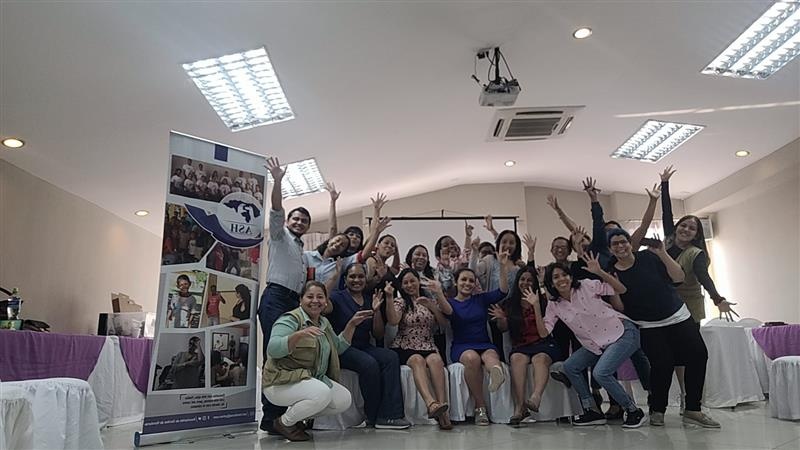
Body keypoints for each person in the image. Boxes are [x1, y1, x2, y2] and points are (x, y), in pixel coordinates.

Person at [607, 228, 720, 428]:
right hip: (649, 325)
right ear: (610, 249)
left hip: (678, 316)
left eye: (623, 241)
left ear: (629, 243)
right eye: (615, 244)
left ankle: (693, 408)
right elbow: (621, 307)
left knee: (698, 355)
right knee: (662, 366)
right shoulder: (611, 272)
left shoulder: (648, 257)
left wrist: (662, 253)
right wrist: (611, 286)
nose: (620, 246)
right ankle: (658, 409)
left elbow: (678, 278)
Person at [660, 166, 738, 413]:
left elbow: (705, 278)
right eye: (683, 225)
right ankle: (680, 395)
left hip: (689, 309)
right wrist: (664, 185)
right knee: (670, 355)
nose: (685, 229)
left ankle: (689, 397)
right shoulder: (668, 244)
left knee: (689, 354)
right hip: (664, 307)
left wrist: (718, 299)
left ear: (696, 235)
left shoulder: (697, 254)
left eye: (691, 228)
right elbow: (666, 214)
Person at [539, 255, 647, 428]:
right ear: (551, 283)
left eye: (564, 274)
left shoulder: (586, 285)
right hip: (596, 344)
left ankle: (633, 410)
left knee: (600, 373)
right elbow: (544, 333)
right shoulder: (554, 305)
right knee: (570, 366)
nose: (562, 279)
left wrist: (599, 272)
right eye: (556, 277)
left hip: (623, 332)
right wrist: (536, 306)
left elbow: (620, 289)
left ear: (571, 276)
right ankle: (592, 411)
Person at [263, 281, 373, 441]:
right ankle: (284, 423)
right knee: (322, 393)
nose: (315, 301)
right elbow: (272, 349)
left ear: (326, 301)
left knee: (343, 400)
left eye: (320, 297)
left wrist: (352, 324)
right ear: (301, 299)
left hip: (307, 378)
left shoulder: (323, 322)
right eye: (310, 296)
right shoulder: (290, 319)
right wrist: (298, 335)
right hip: (279, 382)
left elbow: (338, 347)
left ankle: (297, 418)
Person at [258, 156, 312, 435]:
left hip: (292, 302)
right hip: (275, 298)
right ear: (289, 221)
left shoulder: (302, 250)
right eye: (297, 218)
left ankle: (285, 416)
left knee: (290, 357)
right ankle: (270, 419)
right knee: (275, 356)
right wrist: (278, 180)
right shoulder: (280, 236)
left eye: (304, 220)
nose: (300, 222)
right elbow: (277, 208)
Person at [324, 263, 411, 429]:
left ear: (366, 279)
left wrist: (377, 311)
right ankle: (374, 415)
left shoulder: (370, 297)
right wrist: (333, 278)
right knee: (368, 363)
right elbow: (323, 307)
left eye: (360, 276)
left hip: (364, 346)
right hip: (342, 348)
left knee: (390, 357)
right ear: (345, 279)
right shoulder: (336, 297)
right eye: (352, 276)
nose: (357, 280)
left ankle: (391, 415)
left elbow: (378, 334)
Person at [490, 266, 564, 425]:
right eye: (522, 279)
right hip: (521, 346)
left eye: (529, 280)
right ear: (517, 282)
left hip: (543, 343)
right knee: (516, 358)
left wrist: (536, 305)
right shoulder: (510, 303)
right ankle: (519, 407)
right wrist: (502, 319)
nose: (525, 282)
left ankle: (536, 398)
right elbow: (503, 329)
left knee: (540, 359)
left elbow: (543, 331)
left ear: (535, 283)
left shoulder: (544, 300)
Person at [445, 251, 510, 426]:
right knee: (472, 359)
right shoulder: (451, 303)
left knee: (491, 356)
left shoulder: (480, 299)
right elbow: (443, 311)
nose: (467, 283)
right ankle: (480, 407)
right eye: (464, 280)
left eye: (471, 280)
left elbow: (503, 291)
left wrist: (503, 266)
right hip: (462, 346)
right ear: (456, 282)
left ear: (475, 284)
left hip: (483, 343)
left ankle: (496, 372)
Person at [385, 268, 454, 430]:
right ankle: (430, 403)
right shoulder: (401, 302)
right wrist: (389, 297)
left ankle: (443, 410)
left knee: (436, 360)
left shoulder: (428, 300)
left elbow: (444, 324)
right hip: (405, 346)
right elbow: (393, 321)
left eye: (412, 281)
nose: (410, 285)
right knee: (417, 360)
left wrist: (432, 306)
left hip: (427, 345)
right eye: (405, 283)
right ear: (401, 286)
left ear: (418, 281)